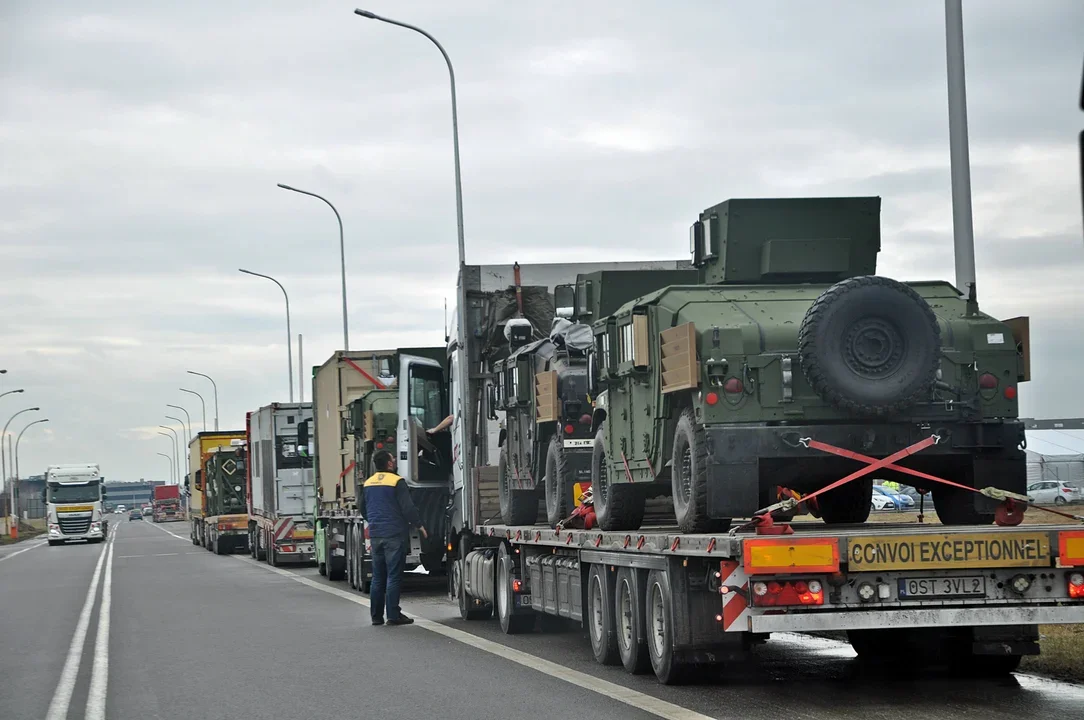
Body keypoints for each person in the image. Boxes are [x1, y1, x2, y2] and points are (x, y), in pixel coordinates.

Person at [359, 450, 427, 626]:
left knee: (378, 577)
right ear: (389, 464)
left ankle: (376, 616)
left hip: (376, 534)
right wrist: (419, 525)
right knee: (394, 576)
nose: (395, 460)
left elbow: (363, 509)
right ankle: (393, 615)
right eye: (393, 458)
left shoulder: (367, 483)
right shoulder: (397, 481)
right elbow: (408, 508)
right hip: (394, 534)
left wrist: (374, 522)